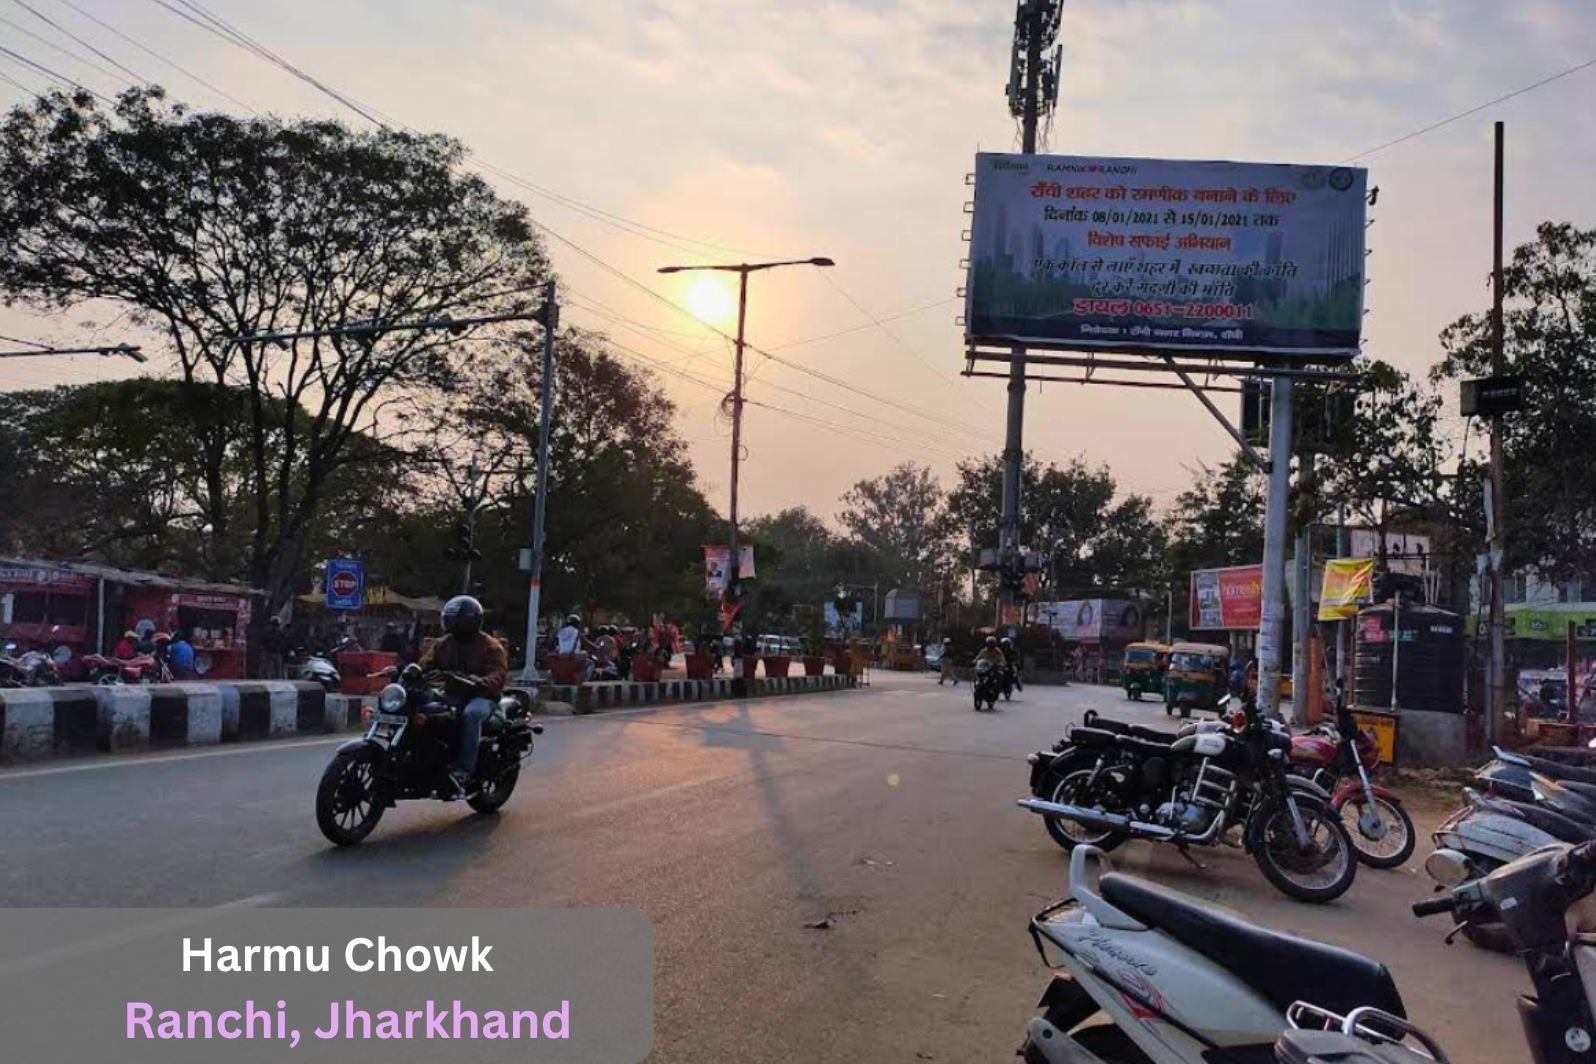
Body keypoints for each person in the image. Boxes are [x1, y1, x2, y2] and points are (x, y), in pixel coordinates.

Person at [418, 595, 507, 796]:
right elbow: (426, 662)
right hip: (452, 694)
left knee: (471, 714)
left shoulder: (491, 645)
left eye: (460, 620)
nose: (455, 624)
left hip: (482, 696)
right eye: (451, 619)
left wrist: (482, 682)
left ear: (473, 621)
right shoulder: (443, 643)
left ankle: (463, 770)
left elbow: (499, 674)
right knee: (420, 699)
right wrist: (413, 670)